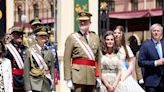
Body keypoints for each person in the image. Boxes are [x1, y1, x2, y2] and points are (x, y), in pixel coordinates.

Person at [64, 11, 101, 92]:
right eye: (81, 21)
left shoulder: (95, 37)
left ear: (90, 22)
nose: (82, 22)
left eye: (85, 21)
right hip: (77, 77)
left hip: (92, 76)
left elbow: (98, 59)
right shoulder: (72, 38)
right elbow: (66, 59)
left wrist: (99, 76)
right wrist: (68, 78)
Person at [24, 26, 56, 92]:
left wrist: (53, 88)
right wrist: (28, 88)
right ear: (36, 37)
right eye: (41, 35)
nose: (43, 37)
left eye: (45, 35)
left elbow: (52, 70)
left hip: (47, 84)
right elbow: (26, 71)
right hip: (34, 84)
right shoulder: (30, 51)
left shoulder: (50, 52)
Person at [113, 25, 145, 92]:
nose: (116, 35)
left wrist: (125, 76)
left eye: (119, 33)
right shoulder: (110, 47)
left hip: (124, 74)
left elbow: (132, 65)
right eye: (115, 33)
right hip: (113, 73)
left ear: (122, 34)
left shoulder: (126, 48)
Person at [138, 23, 164, 92]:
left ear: (161, 33)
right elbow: (140, 62)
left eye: (158, 31)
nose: (156, 33)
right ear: (151, 33)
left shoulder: (163, 44)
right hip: (151, 82)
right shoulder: (145, 45)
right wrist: (155, 63)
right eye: (154, 31)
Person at [5, 26, 27, 92]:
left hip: (25, 80)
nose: (20, 36)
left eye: (21, 34)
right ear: (12, 36)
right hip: (13, 80)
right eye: (18, 34)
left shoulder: (25, 49)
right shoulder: (7, 49)